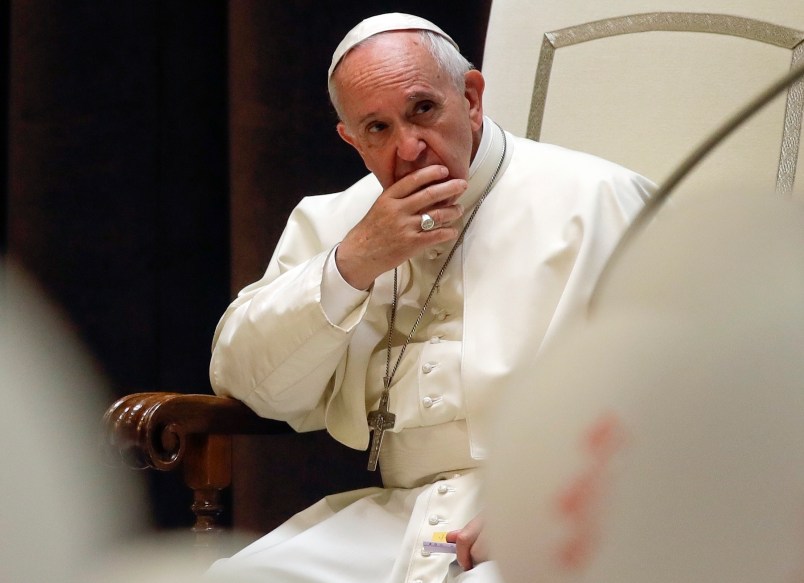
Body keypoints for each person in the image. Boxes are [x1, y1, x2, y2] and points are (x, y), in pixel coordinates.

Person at [207, 12, 654, 583]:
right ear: (351, 139)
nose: (411, 148)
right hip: (401, 515)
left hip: (564, 512)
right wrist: (355, 263)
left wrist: (568, 498)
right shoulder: (336, 222)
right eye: (378, 129)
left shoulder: (597, 198)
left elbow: (684, 388)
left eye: (423, 110)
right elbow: (249, 383)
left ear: (470, 97)